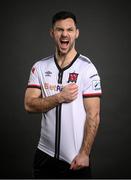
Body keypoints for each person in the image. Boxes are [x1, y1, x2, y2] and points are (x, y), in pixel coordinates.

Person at [24, 11, 102, 179]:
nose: (64, 34)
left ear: (76, 33)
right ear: (52, 33)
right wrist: (60, 97)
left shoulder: (87, 69)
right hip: (44, 155)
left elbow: (93, 115)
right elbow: (29, 105)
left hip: (75, 159)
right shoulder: (40, 67)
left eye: (69, 29)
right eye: (59, 30)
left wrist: (84, 153)